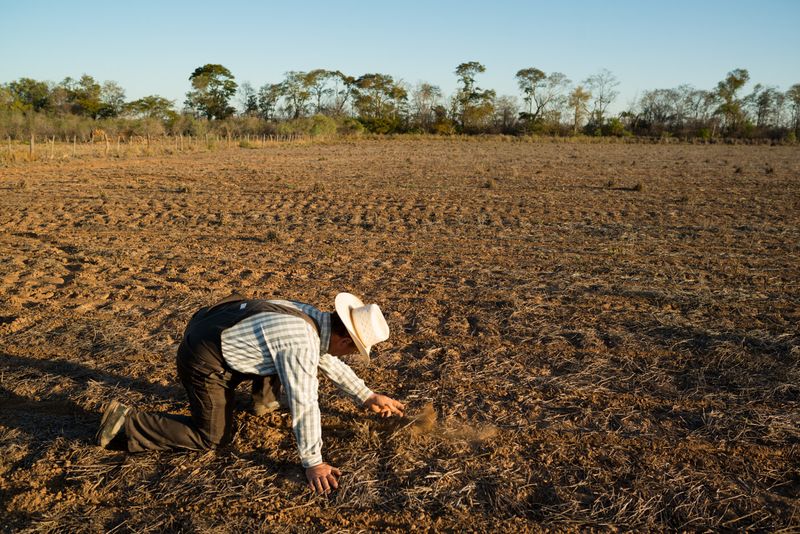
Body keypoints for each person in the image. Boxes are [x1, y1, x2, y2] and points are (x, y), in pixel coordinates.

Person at [96, 292, 405, 495]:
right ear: (347, 340)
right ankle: (125, 425)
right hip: (204, 358)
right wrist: (313, 461)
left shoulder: (313, 318)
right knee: (212, 437)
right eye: (354, 351)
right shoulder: (301, 341)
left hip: (216, 325)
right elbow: (304, 402)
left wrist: (366, 395)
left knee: (284, 359)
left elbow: (323, 357)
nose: (349, 356)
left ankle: (263, 401)